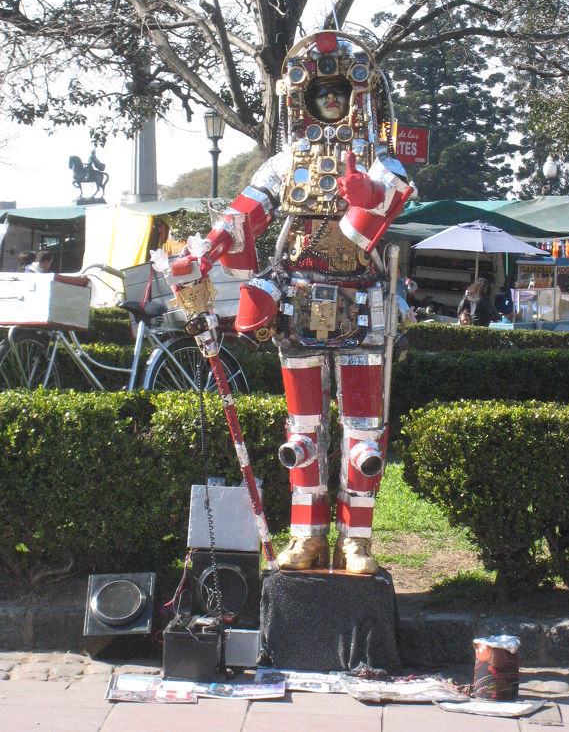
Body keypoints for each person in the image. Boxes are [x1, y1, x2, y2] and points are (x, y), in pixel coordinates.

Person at [167, 31, 415, 575]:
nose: (330, 100)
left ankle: (358, 541)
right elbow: (245, 211)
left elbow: (392, 196)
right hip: (297, 298)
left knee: (362, 429)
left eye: (339, 90)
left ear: (358, 96)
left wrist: (367, 195)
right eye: (320, 90)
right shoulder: (286, 162)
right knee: (302, 428)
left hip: (362, 300)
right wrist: (206, 250)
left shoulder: (378, 157)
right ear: (301, 98)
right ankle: (307, 536)